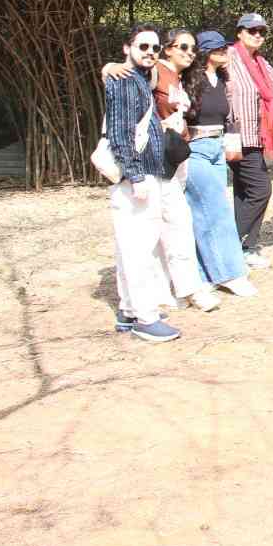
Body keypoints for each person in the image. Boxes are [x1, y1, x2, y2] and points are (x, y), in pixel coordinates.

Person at [103, 25, 179, 342]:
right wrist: (135, 175)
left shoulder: (139, 79)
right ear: (127, 48)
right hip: (137, 175)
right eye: (143, 46)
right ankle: (145, 318)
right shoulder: (123, 81)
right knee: (138, 248)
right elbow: (120, 132)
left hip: (144, 171)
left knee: (132, 246)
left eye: (155, 48)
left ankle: (129, 310)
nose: (150, 52)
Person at [180, 32, 258, 298]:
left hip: (217, 148)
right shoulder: (189, 78)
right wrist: (112, 67)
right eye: (217, 48)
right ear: (204, 52)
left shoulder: (222, 79)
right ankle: (230, 273)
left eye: (225, 47)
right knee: (216, 210)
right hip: (195, 149)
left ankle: (205, 275)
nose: (224, 51)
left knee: (205, 212)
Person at [225, 12, 273, 268]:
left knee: (244, 193)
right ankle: (228, 244)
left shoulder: (260, 63)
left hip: (255, 137)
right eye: (252, 30)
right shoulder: (227, 57)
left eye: (261, 32)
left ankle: (246, 247)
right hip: (235, 137)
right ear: (239, 33)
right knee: (261, 190)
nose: (257, 35)